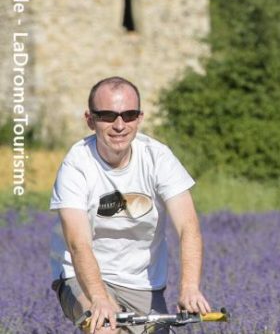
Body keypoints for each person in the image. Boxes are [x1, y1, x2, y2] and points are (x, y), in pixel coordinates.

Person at [49, 76, 211, 333]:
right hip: (83, 278)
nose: (119, 125)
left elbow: (188, 227)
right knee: (104, 327)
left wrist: (190, 287)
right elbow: (78, 243)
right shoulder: (76, 165)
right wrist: (100, 298)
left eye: (129, 115)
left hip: (144, 285)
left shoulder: (158, 158)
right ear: (90, 120)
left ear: (140, 118)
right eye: (107, 116)